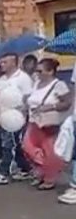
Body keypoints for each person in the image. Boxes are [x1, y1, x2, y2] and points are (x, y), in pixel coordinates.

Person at [23, 59, 72, 191]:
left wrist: (51, 107)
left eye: (40, 71)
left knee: (49, 151)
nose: (37, 73)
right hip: (34, 121)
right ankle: (42, 170)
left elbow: (67, 103)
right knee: (28, 147)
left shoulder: (59, 85)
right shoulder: (36, 83)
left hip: (49, 123)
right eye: (36, 71)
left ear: (50, 71)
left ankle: (49, 178)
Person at [0, 53, 34, 185]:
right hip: (3, 117)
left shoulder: (23, 78)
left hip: (17, 117)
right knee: (16, 144)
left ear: (14, 63)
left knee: (9, 145)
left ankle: (3, 172)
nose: (1, 64)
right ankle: (26, 168)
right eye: (1, 62)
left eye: (5, 62)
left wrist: (23, 112)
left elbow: (28, 97)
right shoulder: (1, 80)